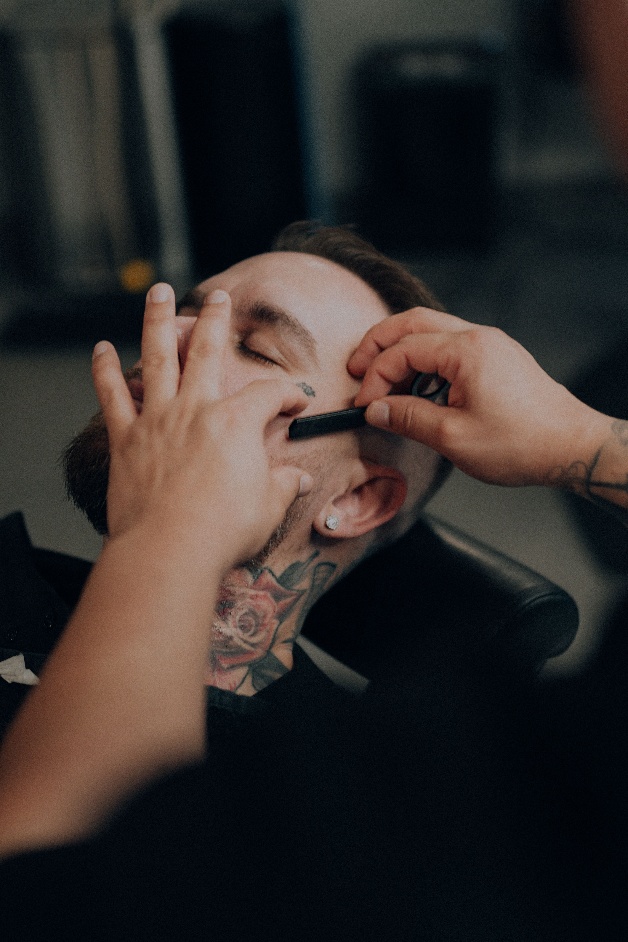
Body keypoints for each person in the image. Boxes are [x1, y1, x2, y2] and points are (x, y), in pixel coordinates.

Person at [0, 222, 615, 940]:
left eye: (255, 344)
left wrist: (583, 439)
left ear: (353, 501)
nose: (173, 335)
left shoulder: (313, 817)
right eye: (198, 308)